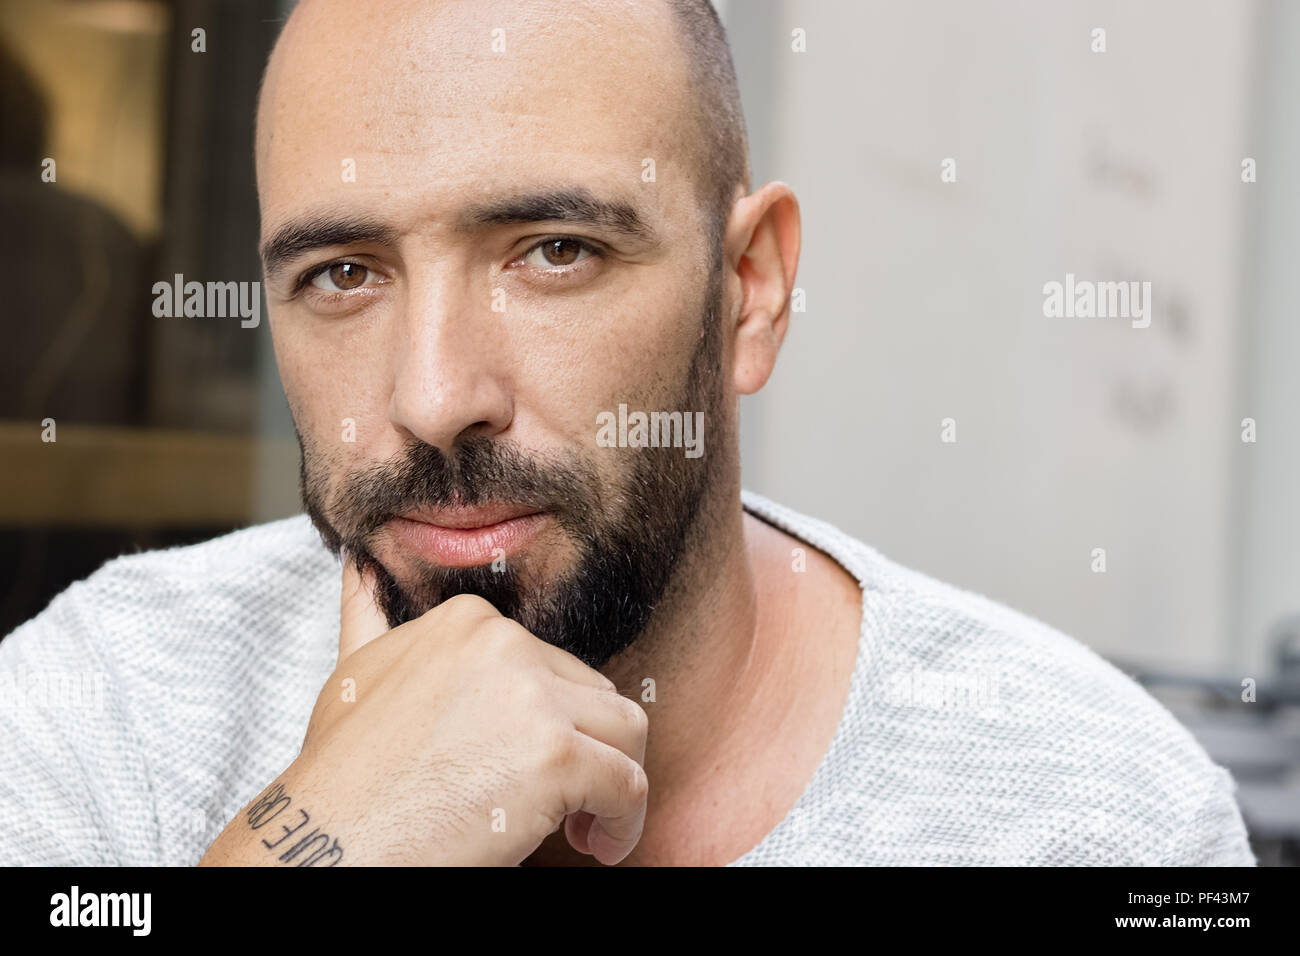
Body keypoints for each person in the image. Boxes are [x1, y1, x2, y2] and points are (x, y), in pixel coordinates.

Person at [0, 0, 1255, 867]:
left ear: (749, 290)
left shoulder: (1092, 811)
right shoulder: (104, 710)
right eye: (343, 273)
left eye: (555, 252)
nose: (435, 397)